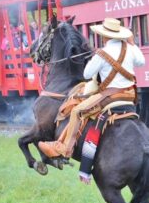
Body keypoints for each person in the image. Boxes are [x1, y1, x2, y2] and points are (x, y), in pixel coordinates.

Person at [38, 18, 145, 159]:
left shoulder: (102, 53)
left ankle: (64, 148)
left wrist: (96, 59)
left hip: (110, 97)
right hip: (130, 96)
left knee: (76, 111)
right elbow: (141, 62)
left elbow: (87, 74)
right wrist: (132, 44)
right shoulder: (130, 48)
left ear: (105, 36)